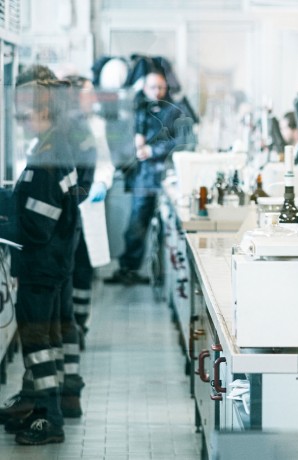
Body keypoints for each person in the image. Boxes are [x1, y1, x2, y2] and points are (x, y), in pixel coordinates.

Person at [5, 79, 80, 445]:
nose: (19, 121)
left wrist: (7, 219)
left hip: (41, 266)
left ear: (44, 114)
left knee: (37, 342)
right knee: (45, 340)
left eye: (24, 114)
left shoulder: (47, 158)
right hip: (52, 266)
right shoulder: (54, 146)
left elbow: (38, 223)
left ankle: (50, 418)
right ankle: (38, 407)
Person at [106, 69, 185, 285]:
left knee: (155, 226)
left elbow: (177, 140)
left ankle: (159, 273)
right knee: (136, 224)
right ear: (144, 87)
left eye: (161, 87)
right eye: (153, 87)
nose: (157, 91)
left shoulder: (172, 111)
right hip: (140, 176)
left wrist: (151, 150)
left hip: (160, 175)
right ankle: (129, 269)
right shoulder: (134, 107)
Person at [65, 75, 115, 341]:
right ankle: (68, 323)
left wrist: (102, 184)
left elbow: (106, 162)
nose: (93, 98)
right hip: (66, 206)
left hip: (88, 204)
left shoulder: (96, 125)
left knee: (83, 267)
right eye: (88, 94)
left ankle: (80, 326)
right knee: (67, 268)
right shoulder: (59, 125)